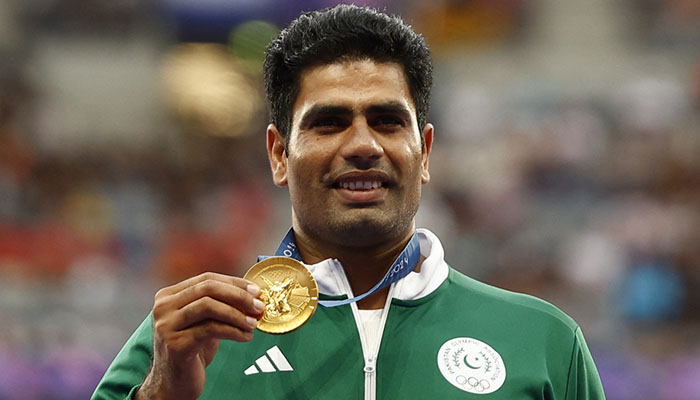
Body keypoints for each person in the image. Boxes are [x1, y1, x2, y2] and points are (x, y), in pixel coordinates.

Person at [92, 4, 605, 399]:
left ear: (424, 153)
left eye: (386, 120)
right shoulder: (188, 337)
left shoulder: (541, 341)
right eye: (329, 122)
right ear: (278, 154)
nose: (363, 145)